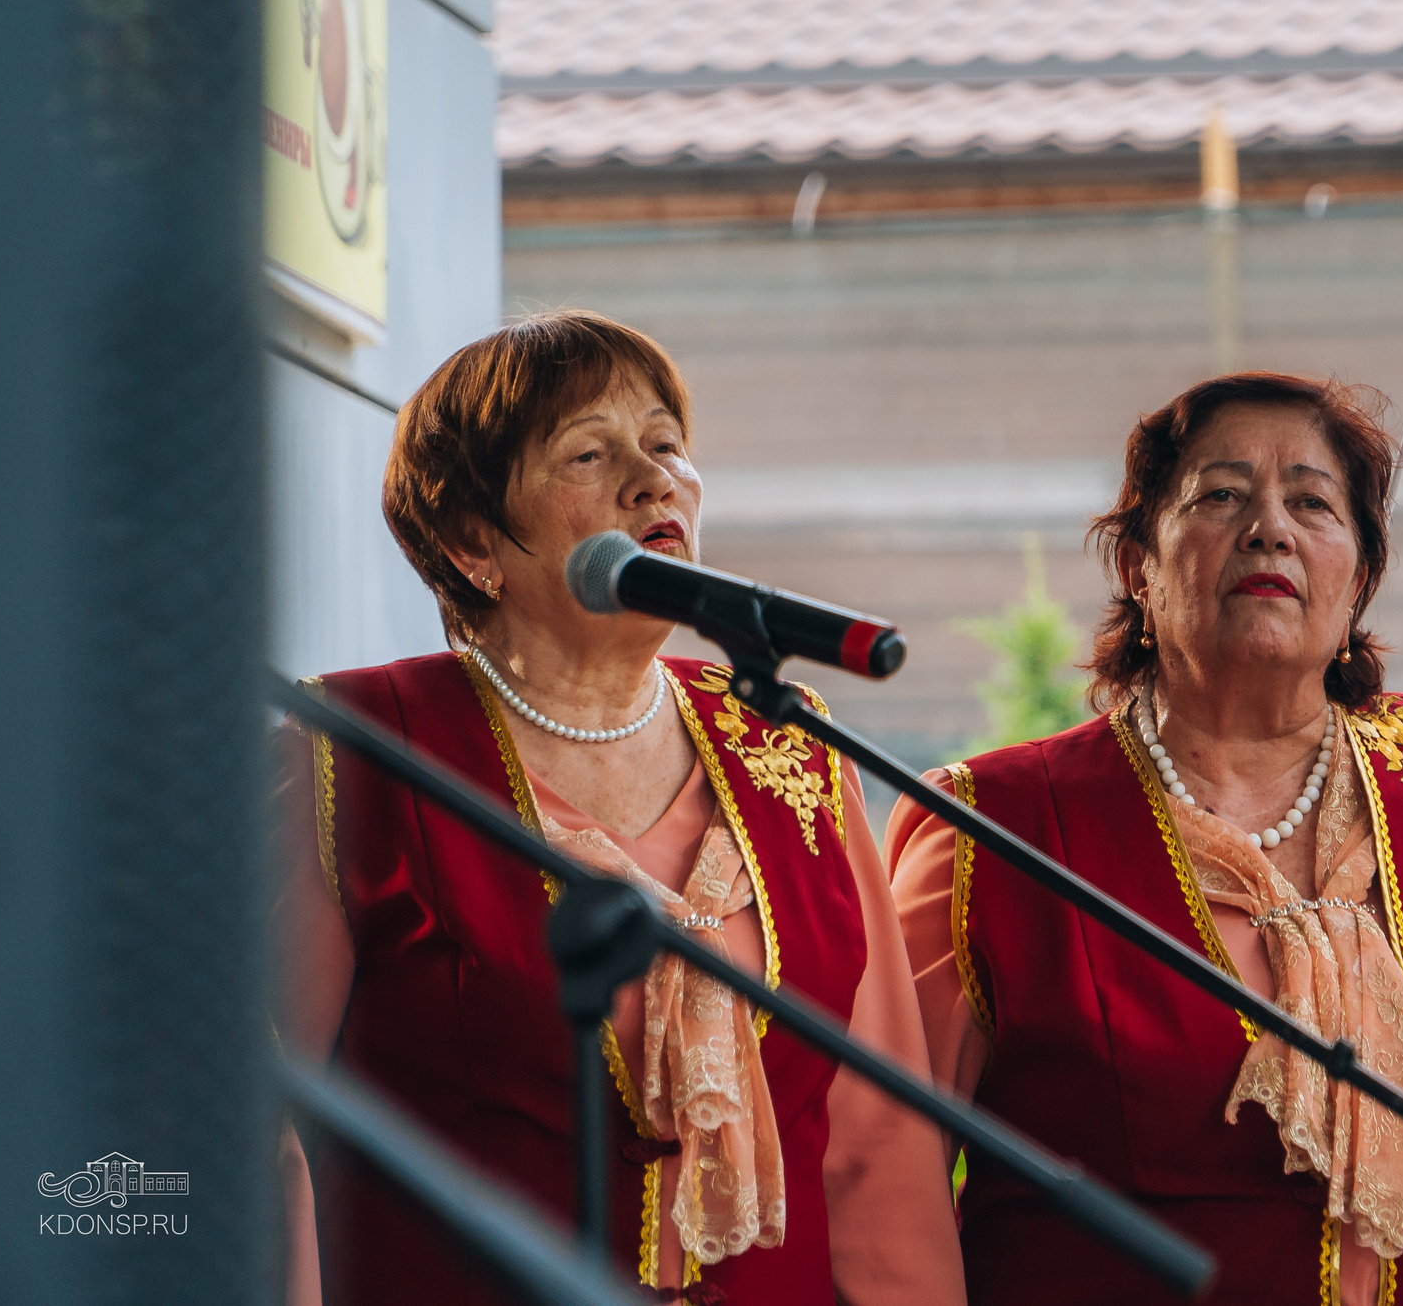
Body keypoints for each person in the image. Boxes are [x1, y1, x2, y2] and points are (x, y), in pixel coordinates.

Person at [278, 310, 961, 1305]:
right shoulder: (346, 751)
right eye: (589, 454)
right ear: (473, 542)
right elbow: (257, 1133)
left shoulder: (789, 744)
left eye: (667, 445)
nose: (654, 481)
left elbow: (876, 1144)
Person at [884, 372, 1403, 1306]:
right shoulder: (991, 827)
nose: (1270, 528)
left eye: (1312, 501)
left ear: (1360, 574)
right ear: (1138, 565)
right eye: (1221, 495)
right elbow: (880, 1168)